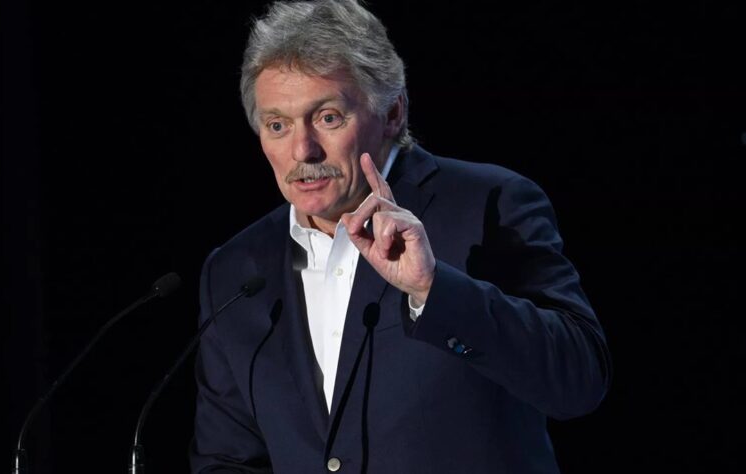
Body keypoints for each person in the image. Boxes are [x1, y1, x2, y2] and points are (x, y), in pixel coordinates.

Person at [190, 1, 611, 472]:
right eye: (277, 126)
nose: (302, 150)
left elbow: (579, 380)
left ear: (392, 113)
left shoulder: (488, 205)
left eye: (328, 117)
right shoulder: (235, 270)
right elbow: (226, 458)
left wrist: (433, 290)